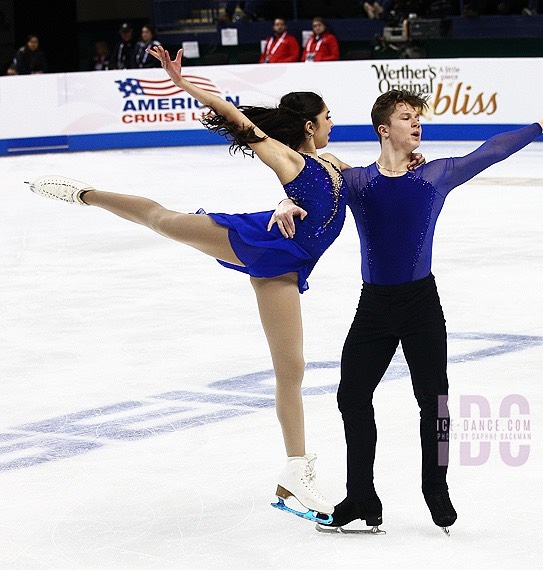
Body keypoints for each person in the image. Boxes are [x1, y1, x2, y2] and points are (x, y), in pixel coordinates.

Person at [25, 47, 419, 525]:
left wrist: (403, 161)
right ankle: (84, 194)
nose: (332, 123)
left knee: (291, 369)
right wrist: (182, 82)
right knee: (162, 219)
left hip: (285, 267)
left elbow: (361, 184)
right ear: (309, 125)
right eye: (327, 117)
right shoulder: (286, 158)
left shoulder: (333, 163)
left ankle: (294, 471)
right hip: (258, 242)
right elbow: (235, 118)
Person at [271, 89, 543, 534]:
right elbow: (309, 183)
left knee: (435, 402)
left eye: (417, 118)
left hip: (420, 305)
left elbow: (490, 151)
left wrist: (539, 126)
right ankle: (361, 496)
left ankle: (436, 487)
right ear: (383, 129)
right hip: (374, 307)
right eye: (406, 117)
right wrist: (284, 202)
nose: (416, 124)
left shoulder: (435, 175)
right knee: (351, 396)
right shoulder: (356, 181)